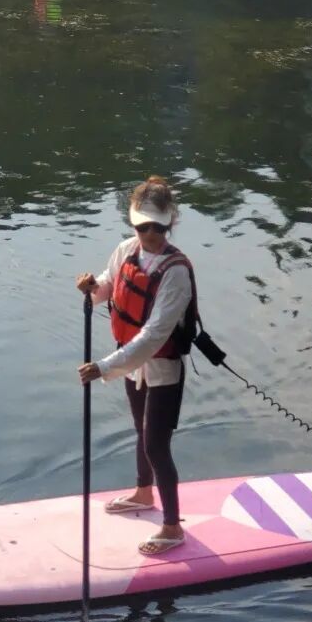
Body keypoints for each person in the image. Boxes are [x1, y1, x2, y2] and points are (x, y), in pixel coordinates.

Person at [76, 176, 196, 555]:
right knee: (139, 432)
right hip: (132, 365)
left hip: (162, 370)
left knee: (157, 445)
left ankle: (173, 528)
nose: (150, 235)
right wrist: (91, 288)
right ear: (134, 224)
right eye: (143, 227)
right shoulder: (126, 249)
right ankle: (144, 493)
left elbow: (153, 336)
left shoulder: (176, 272)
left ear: (170, 223)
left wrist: (103, 367)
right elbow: (107, 285)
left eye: (158, 227)